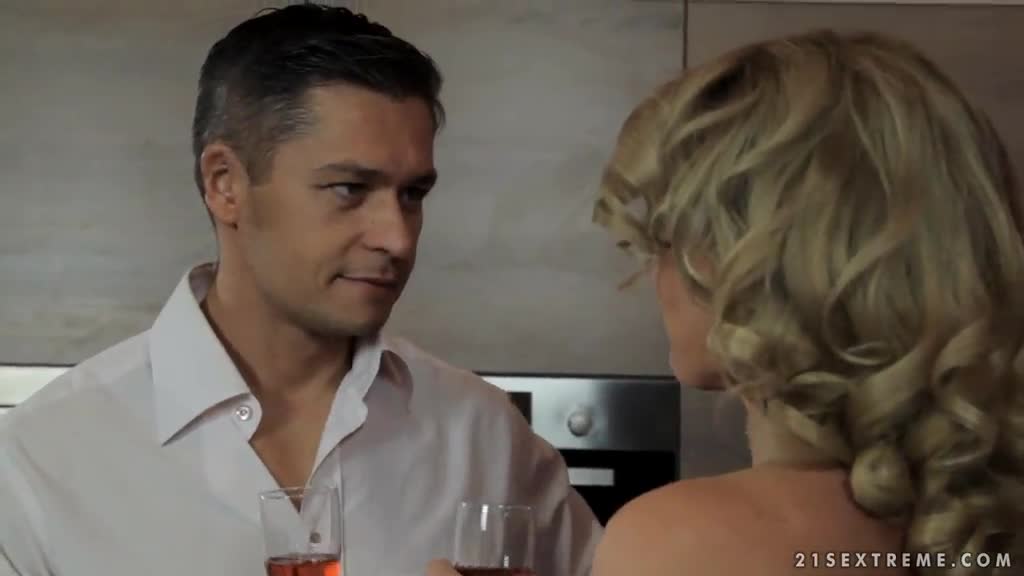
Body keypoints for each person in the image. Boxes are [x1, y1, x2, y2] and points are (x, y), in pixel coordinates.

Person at [0, 5, 601, 576]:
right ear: (225, 184)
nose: (397, 237)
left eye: (413, 194)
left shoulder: (488, 440)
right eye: (349, 189)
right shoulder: (38, 465)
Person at [429, 29, 1024, 576]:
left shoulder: (683, 541)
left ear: (749, 256)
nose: (652, 273)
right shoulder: (985, 521)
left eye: (667, 236)